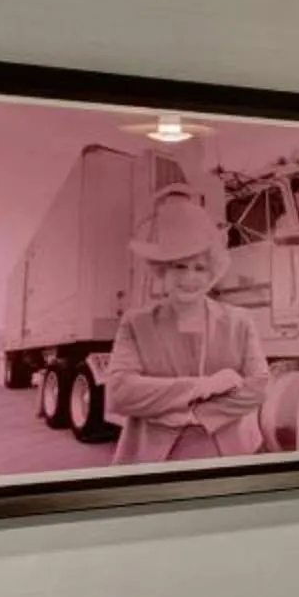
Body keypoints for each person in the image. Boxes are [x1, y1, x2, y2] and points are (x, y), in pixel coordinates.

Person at [104, 190, 269, 463]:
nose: (190, 278)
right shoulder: (136, 323)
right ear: (161, 270)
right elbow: (120, 394)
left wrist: (193, 414)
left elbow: (258, 386)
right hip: (155, 462)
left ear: (212, 271)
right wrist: (205, 386)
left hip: (232, 458)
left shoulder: (240, 321)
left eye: (199, 268)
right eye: (179, 267)